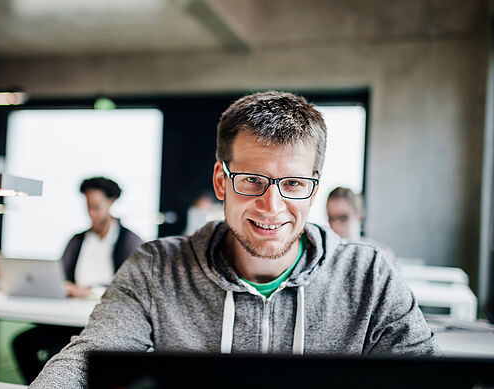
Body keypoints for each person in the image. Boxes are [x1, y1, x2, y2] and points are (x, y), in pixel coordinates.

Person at [29, 91, 439, 388]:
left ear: (313, 189)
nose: (272, 206)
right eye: (252, 181)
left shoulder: (369, 274)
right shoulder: (156, 268)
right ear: (221, 182)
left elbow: (428, 377)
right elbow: (82, 362)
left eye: (293, 183)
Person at [13, 177, 143, 383]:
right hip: (69, 319)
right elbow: (59, 275)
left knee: (71, 353)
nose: (91, 214)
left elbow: (134, 288)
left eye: (96, 207)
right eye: (88, 207)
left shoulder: (130, 242)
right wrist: (63, 286)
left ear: (112, 202)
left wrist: (90, 291)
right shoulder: (77, 240)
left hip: (104, 323)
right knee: (23, 342)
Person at [326, 186, 396, 263]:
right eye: (331, 218)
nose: (335, 225)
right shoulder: (325, 255)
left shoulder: (380, 255)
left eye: (342, 218)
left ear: (359, 215)